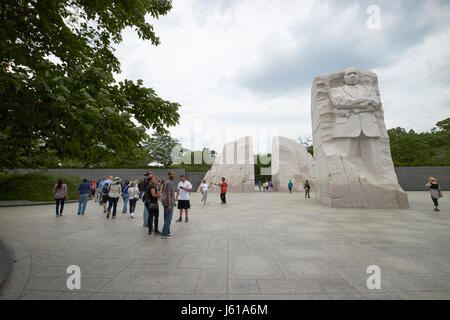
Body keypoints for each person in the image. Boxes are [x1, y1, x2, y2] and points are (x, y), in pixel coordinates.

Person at [161, 171, 176, 238]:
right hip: (168, 202)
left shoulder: (166, 181)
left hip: (165, 202)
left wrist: (174, 201)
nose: (173, 175)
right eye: (172, 174)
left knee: (166, 217)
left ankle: (167, 231)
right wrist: (170, 204)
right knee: (168, 218)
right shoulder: (169, 183)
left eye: (174, 174)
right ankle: (164, 233)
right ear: (169, 175)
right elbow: (168, 193)